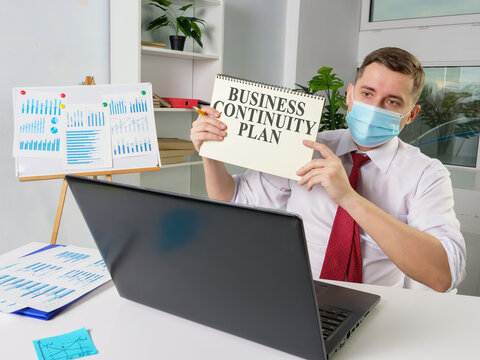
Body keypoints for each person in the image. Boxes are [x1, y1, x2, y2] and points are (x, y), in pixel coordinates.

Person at [190, 47, 466, 292]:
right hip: (296, 296)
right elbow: (232, 197)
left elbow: (443, 275)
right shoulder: (308, 146)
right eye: (367, 93)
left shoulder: (427, 174)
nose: (374, 107)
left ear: (412, 114)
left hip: (379, 308)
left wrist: (348, 197)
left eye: (392, 101)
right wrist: (210, 154)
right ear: (350, 94)